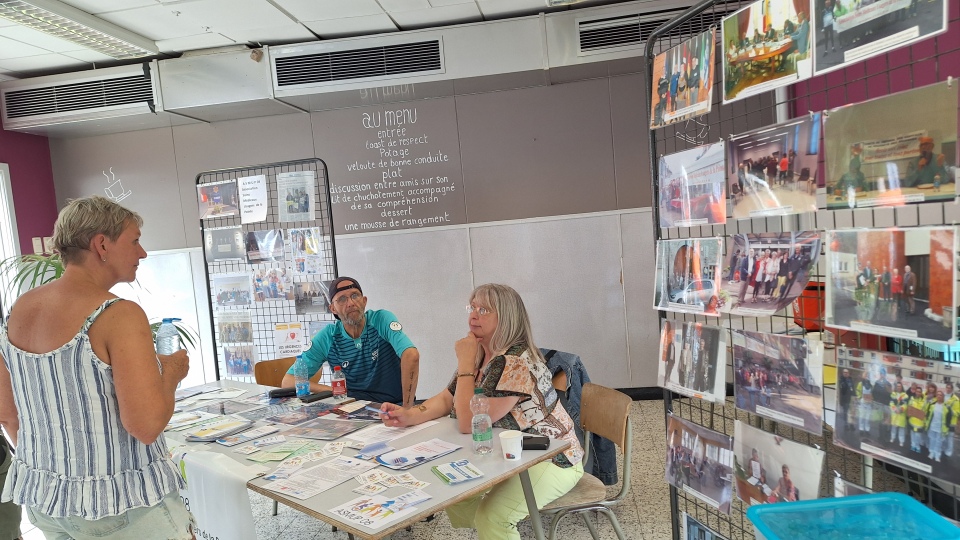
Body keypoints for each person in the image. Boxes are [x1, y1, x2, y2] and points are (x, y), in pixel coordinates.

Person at [0, 196, 193, 539]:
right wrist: (172, 375)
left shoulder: (20, 309)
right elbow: (146, 426)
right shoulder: (117, 314)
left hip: (47, 501)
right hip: (121, 506)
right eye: (134, 241)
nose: (143, 253)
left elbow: (8, 415)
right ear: (101, 244)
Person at [378, 284, 584, 540]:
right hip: (508, 451)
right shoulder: (482, 353)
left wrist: (465, 363)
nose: (473, 315)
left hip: (550, 455)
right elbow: (447, 397)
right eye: (472, 307)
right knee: (453, 491)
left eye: (484, 309)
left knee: (493, 517)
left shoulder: (516, 362)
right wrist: (410, 415)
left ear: (506, 317)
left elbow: (469, 422)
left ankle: (495, 529)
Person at [282, 277, 420, 406]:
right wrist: (331, 390)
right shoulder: (328, 336)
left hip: (393, 405)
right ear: (333, 309)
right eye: (342, 299)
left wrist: (407, 410)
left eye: (355, 296)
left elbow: (411, 355)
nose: (350, 303)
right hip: (352, 408)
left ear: (364, 301)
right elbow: (288, 381)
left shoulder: (381, 320)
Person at [927, 391, 952, 462]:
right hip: (932, 426)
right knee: (932, 439)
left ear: (943, 397)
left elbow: (948, 418)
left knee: (939, 441)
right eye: (937, 395)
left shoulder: (946, 407)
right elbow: (929, 415)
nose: (939, 396)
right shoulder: (932, 405)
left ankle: (937, 454)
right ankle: (931, 452)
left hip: (941, 428)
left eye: (940, 395)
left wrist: (946, 427)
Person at [890, 382, 909, 446]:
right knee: (893, 428)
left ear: (902, 387)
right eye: (897, 386)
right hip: (894, 414)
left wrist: (900, 410)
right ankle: (892, 438)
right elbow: (891, 403)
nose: (898, 387)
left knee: (901, 429)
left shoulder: (905, 395)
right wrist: (895, 409)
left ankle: (901, 441)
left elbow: (905, 404)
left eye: (899, 386)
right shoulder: (893, 394)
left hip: (901, 414)